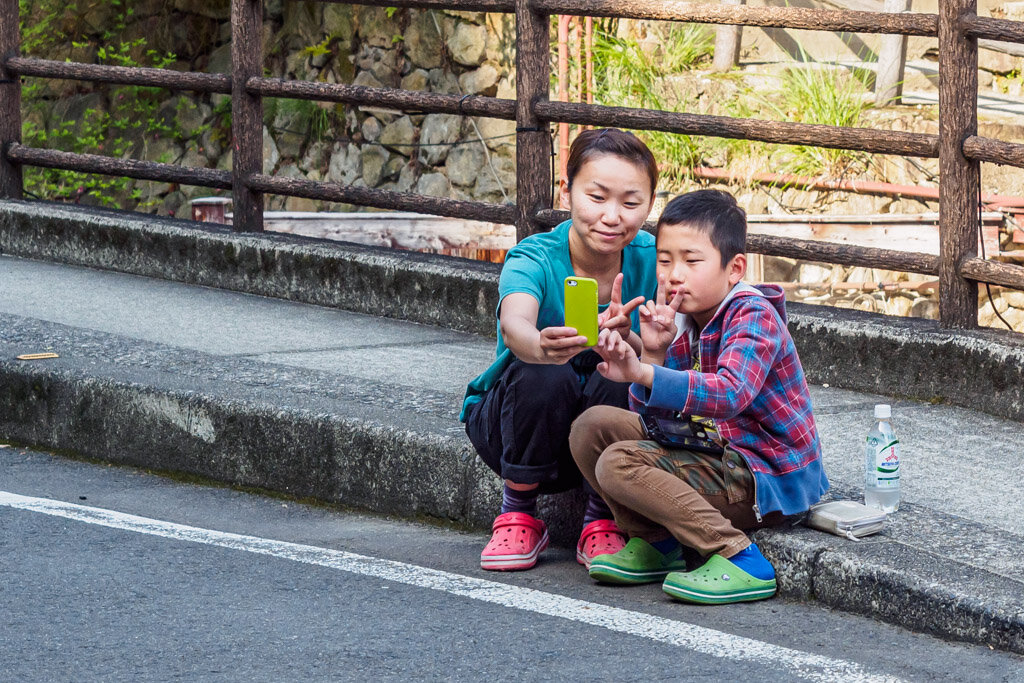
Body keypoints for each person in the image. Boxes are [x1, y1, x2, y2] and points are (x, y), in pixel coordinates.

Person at [568, 189, 829, 603]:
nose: (674, 274)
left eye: (691, 261)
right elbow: (658, 424)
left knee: (619, 463)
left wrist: (644, 370)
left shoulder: (752, 313)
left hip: (763, 475)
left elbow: (729, 394)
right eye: (665, 260)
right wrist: (650, 350)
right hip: (712, 453)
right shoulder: (684, 318)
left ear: (734, 268)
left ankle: (739, 557)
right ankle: (659, 545)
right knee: (592, 428)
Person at [461, 128, 660, 571]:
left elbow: (670, 358)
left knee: (618, 364)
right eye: (597, 197)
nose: (612, 217)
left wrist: (630, 343)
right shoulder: (534, 256)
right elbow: (514, 324)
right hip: (513, 429)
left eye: (630, 204)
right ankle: (518, 513)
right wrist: (539, 345)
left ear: (649, 206)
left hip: (600, 443)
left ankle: (601, 516)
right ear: (567, 193)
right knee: (542, 367)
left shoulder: (656, 260)